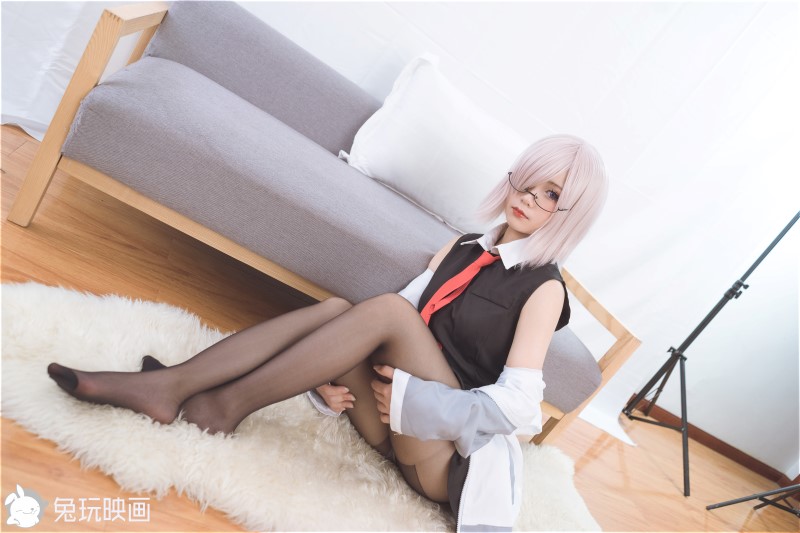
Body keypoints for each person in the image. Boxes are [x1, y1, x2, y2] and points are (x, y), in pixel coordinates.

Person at [47, 134, 608, 531]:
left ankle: (211, 403)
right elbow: (380, 328)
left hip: (441, 457)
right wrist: (322, 375)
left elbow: (522, 410)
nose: (528, 197)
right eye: (527, 181)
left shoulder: (544, 288)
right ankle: (178, 389)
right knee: (342, 309)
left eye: (551, 194)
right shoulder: (463, 247)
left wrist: (418, 400)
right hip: (388, 423)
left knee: (389, 313)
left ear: (571, 214)